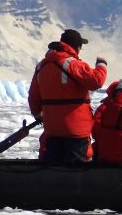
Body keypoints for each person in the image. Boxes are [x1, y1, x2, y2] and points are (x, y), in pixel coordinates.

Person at [28, 29, 107, 164]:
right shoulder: (73, 64)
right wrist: (101, 64)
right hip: (76, 130)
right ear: (77, 46)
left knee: (54, 167)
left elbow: (33, 97)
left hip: (52, 128)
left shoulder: (42, 66)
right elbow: (96, 81)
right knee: (75, 170)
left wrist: (38, 115)